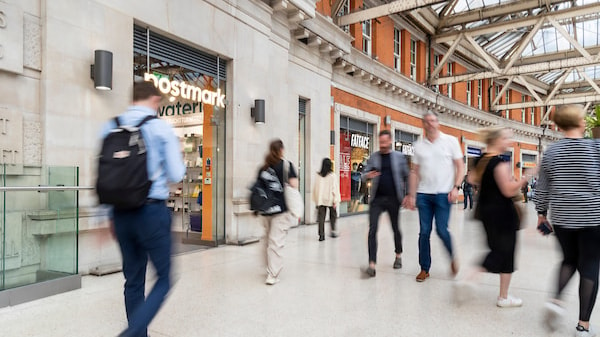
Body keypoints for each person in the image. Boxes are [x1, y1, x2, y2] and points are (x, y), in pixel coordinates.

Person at [100, 81, 186, 337]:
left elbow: (103, 175)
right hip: (151, 212)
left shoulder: (110, 127)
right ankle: (132, 333)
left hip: (120, 214)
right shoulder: (160, 128)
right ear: (155, 100)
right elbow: (176, 173)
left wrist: (106, 216)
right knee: (164, 278)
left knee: (133, 280)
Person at [534, 105, 600, 336]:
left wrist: (541, 214)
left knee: (568, 260)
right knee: (590, 267)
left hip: (562, 218)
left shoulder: (551, 152)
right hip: (592, 217)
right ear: (582, 123)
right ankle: (583, 326)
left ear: (559, 126)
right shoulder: (596, 148)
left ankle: (555, 300)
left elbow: (541, 189)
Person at [457, 127, 528, 308]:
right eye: (506, 139)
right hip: (503, 214)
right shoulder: (499, 163)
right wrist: (523, 179)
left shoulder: (479, 160)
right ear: (496, 140)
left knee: (497, 249)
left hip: (485, 213)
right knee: (504, 252)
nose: (508, 142)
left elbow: (472, 179)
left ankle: (502, 295)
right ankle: (474, 278)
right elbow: (508, 190)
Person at [406, 111, 464, 282]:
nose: (430, 123)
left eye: (433, 121)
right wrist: (411, 194)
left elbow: (460, 167)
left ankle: (452, 256)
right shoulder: (419, 146)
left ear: (438, 123)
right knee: (424, 232)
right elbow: (414, 172)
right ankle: (424, 268)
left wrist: (456, 187)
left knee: (441, 229)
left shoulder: (450, 141)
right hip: (423, 194)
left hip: (443, 194)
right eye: (427, 121)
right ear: (423, 124)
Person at [363, 130, 410, 277]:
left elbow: (407, 176)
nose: (382, 145)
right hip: (376, 199)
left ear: (390, 141)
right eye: (380, 143)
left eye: (385, 143)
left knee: (396, 228)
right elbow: (363, 175)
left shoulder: (399, 157)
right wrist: (368, 176)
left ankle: (398, 255)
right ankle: (372, 264)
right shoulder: (374, 157)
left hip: (393, 198)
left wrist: (408, 194)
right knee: (372, 230)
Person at [257, 139, 298, 285]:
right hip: (280, 210)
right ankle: (272, 274)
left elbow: (258, 188)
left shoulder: (264, 167)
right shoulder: (286, 165)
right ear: (281, 150)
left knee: (268, 240)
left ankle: (269, 267)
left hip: (266, 210)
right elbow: (294, 185)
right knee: (276, 242)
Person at [312, 158, 341, 241]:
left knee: (321, 218)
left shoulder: (318, 176)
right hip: (330, 199)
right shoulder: (332, 176)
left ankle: (321, 235)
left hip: (321, 199)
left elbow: (316, 188)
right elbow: (334, 189)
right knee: (333, 215)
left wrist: (317, 200)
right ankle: (333, 231)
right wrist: (335, 200)